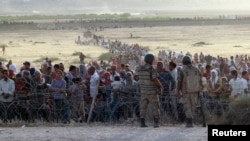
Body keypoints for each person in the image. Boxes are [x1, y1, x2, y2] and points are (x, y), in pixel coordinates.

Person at [135, 54, 163, 128]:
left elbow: (136, 76)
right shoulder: (151, 69)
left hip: (143, 91)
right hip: (152, 91)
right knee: (155, 107)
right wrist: (160, 86)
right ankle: (156, 123)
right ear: (151, 60)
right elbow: (155, 79)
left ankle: (142, 122)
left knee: (143, 107)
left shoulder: (139, 68)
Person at [177, 55, 202, 128]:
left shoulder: (182, 70)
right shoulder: (197, 69)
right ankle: (191, 120)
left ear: (183, 62)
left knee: (187, 106)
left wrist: (178, 91)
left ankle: (189, 121)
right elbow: (200, 81)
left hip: (186, 91)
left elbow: (179, 81)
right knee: (193, 106)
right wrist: (200, 90)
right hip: (195, 90)